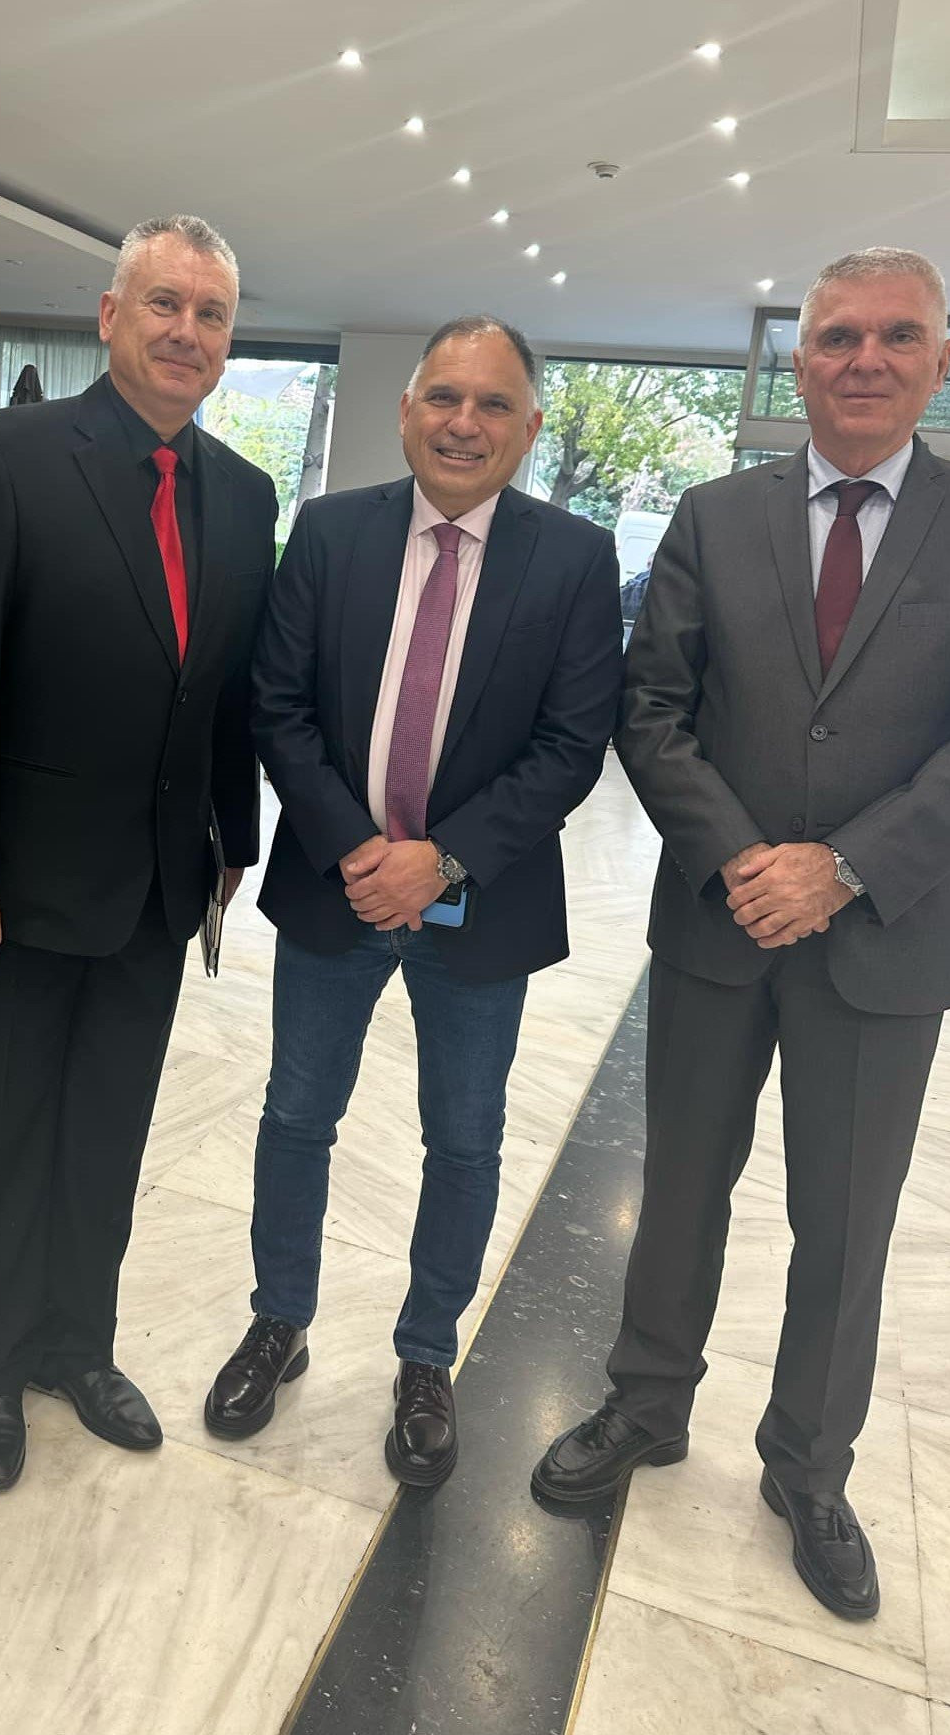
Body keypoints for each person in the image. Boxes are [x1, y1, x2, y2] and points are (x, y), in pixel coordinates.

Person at [533, 248, 950, 1620]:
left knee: (845, 1219)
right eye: (837, 336)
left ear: (939, 362)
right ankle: (645, 1404)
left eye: (896, 336)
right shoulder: (714, 513)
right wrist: (746, 858)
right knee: (680, 1183)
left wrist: (846, 868)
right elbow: (651, 705)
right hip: (720, 920)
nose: (865, 359)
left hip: (888, 938)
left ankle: (809, 1465)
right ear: (796, 360)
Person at [205, 316, 623, 1487]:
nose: (463, 423)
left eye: (492, 405)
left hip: (480, 905)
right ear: (405, 410)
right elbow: (277, 703)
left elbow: (571, 743)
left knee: (465, 1136)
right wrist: (357, 846)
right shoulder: (330, 533)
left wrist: (439, 861)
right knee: (296, 1115)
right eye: (443, 397)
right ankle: (278, 1319)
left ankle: (426, 1355)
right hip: (335, 886)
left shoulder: (574, 558)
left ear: (527, 429)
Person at [0, 215, 277, 1491]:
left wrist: (231, 839)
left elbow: (225, 690)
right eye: (163, 303)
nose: (186, 332)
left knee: (107, 1132)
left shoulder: (244, 494)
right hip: (9, 892)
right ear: (110, 316)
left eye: (211, 315)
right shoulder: (1, 456)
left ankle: (79, 1343)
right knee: (5, 1132)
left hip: (156, 889)